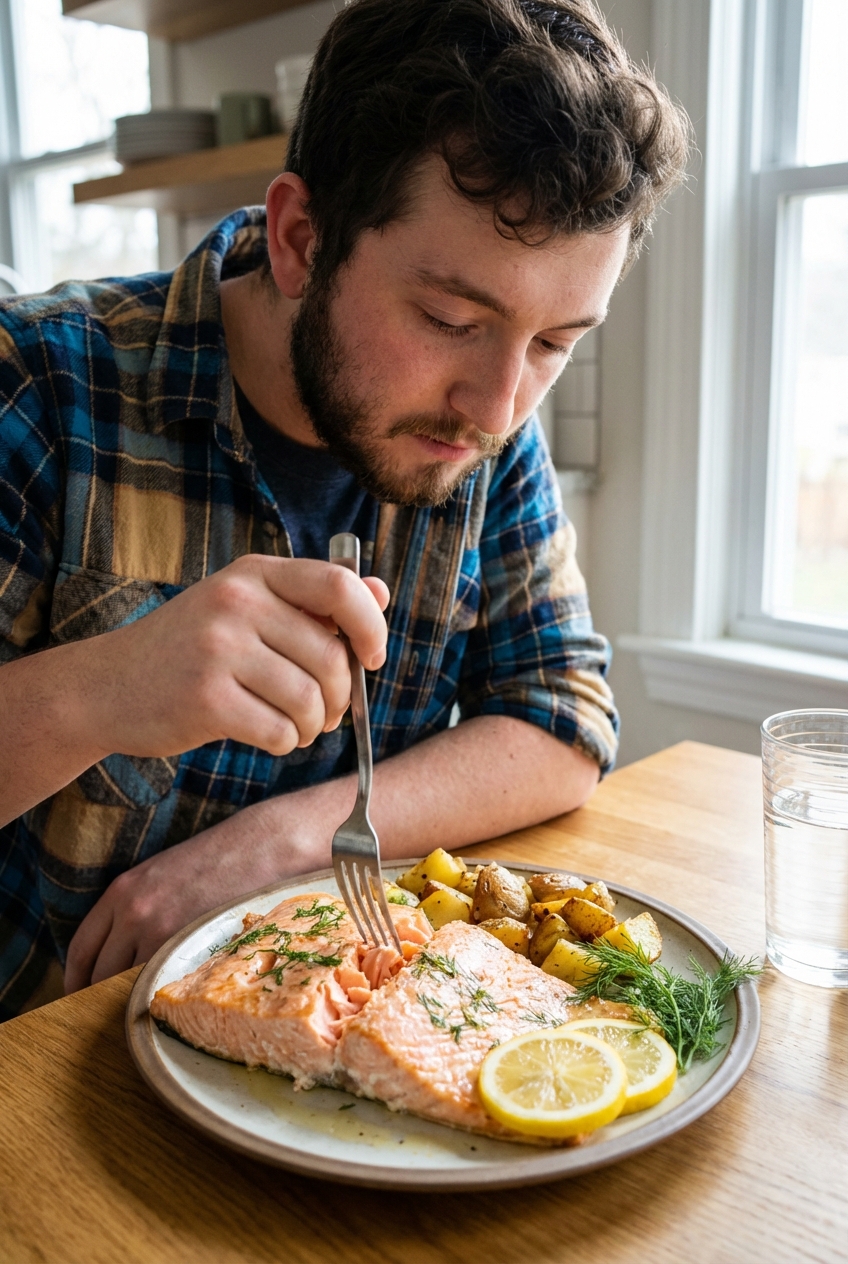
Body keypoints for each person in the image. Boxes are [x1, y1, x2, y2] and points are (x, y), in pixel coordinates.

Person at [0, 0, 689, 1017]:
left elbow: (564, 721)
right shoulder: (40, 382)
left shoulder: (484, 437)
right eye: (451, 318)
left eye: (554, 344)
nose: (497, 404)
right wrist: (104, 689)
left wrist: (288, 838)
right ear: (298, 239)